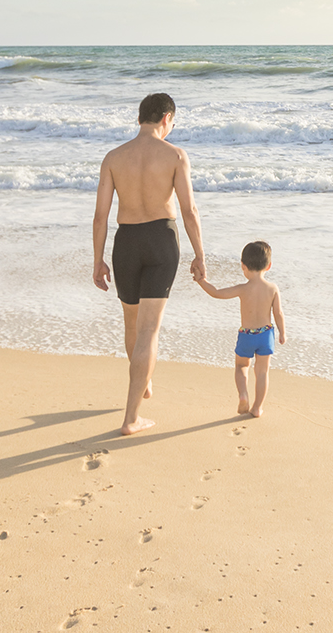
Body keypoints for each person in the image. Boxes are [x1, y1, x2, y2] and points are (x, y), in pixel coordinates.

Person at [91, 91, 206, 436]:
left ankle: (144, 380)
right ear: (167, 119)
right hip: (160, 241)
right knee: (149, 330)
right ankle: (131, 418)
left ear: (140, 118)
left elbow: (100, 217)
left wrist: (97, 260)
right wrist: (200, 254)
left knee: (132, 327)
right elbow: (189, 210)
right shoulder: (174, 155)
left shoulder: (113, 157)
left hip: (125, 243)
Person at [194, 240, 286, 418]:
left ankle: (243, 394)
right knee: (262, 371)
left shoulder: (243, 289)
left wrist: (201, 280)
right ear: (269, 266)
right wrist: (282, 332)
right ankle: (258, 408)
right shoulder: (273, 289)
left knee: (241, 366)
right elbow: (279, 313)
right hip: (265, 335)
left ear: (243, 266)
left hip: (247, 335)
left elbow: (217, 293)